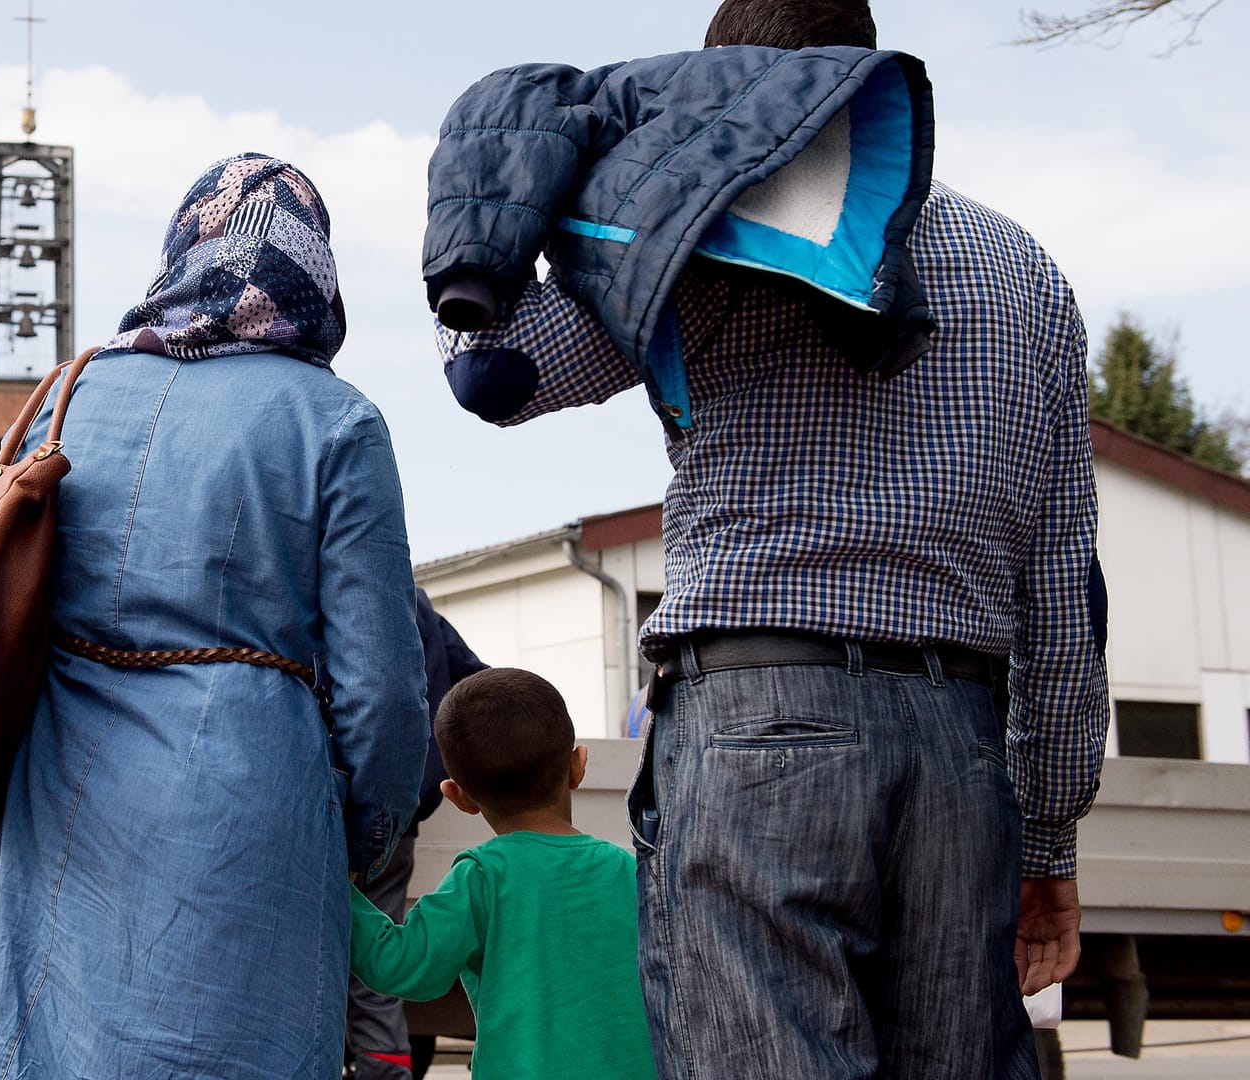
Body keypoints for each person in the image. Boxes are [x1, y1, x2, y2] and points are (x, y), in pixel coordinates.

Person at [433, 3, 1111, 1076]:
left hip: (758, 722)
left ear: (720, 86)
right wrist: (1049, 837)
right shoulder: (1022, 271)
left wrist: (488, 220)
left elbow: (497, 375)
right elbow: (1066, 590)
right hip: (961, 744)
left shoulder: (691, 232)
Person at [0, 153, 428, 1080]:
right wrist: (353, 841)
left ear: (184, 246)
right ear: (310, 269)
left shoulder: (69, 395)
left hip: (62, 793)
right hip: (252, 800)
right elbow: (383, 692)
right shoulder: (338, 421)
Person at [348, 667, 656, 1080]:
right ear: (578, 765)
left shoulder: (483, 877)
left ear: (458, 796)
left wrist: (336, 885)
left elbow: (401, 965)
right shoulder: (629, 871)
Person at [347, 588, 487, 1080]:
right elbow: (482, 685)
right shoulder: (422, 610)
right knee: (377, 984)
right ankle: (385, 1072)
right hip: (403, 810)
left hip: (336, 802)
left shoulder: (339, 603)